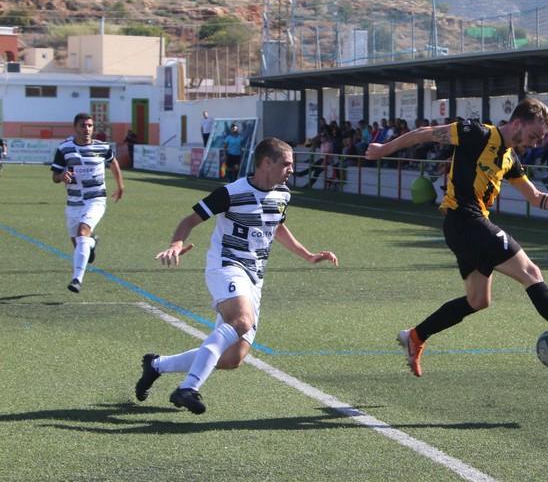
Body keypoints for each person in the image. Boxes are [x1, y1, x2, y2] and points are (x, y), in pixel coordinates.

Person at [365, 98, 548, 377]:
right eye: (534, 135)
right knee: (530, 272)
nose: (535, 143)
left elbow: (535, 198)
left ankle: (415, 336)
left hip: (468, 227)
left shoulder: (510, 158)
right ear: (518, 123)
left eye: (539, 139)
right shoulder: (477, 133)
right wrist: (383, 149)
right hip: (464, 220)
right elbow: (425, 133)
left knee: (478, 301)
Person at [135, 138, 338, 414]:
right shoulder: (231, 193)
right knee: (242, 320)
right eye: (287, 164)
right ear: (267, 163)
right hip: (226, 265)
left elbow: (276, 227)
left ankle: (157, 365)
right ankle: (188, 387)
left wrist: (308, 255)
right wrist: (176, 244)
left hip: (255, 276)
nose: (292, 169)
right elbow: (190, 220)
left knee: (232, 357)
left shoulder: (283, 194)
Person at [50, 113, 125, 293]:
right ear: (75, 127)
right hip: (73, 202)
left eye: (90, 126)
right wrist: (62, 176)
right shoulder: (64, 149)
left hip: (96, 199)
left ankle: (77, 279)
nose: (87, 129)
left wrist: (120, 185)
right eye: (83, 125)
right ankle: (91, 244)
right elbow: (54, 176)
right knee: (79, 243)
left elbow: (113, 163)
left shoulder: (102, 147)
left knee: (82, 230)